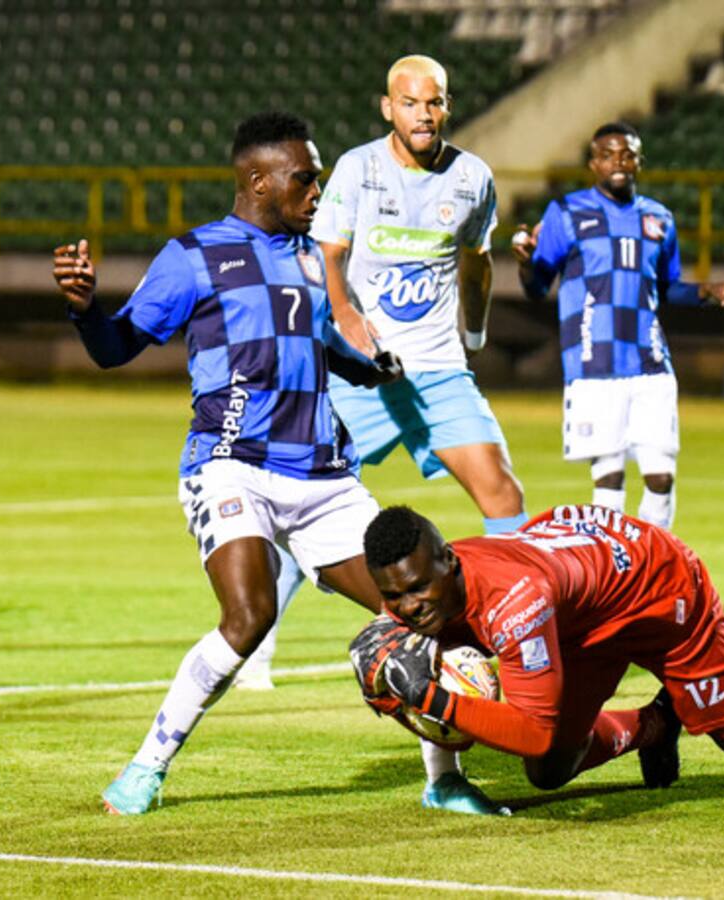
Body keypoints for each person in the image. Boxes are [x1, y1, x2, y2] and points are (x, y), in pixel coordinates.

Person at [50, 112, 404, 815]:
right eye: (305, 178)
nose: (316, 192)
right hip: (230, 462)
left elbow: (319, 342)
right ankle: (147, 769)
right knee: (249, 615)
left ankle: (446, 779)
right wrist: (87, 311)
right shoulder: (193, 256)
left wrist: (369, 371)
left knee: (414, 610)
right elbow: (116, 347)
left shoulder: (310, 256)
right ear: (257, 180)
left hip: (325, 475)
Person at [244, 56, 522, 814]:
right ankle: (256, 643)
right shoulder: (358, 172)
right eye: (411, 102)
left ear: (447, 106)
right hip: (365, 374)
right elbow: (330, 253)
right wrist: (344, 315)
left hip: (436, 373)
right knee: (311, 504)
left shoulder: (473, 179)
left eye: (434, 102)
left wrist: (474, 328)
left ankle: (514, 631)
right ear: (387, 107)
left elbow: (478, 259)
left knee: (502, 491)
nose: (425, 114)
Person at [349, 504, 724, 796]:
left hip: (656, 586)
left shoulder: (515, 604)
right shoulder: (430, 590)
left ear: (449, 560)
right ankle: (658, 723)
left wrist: (429, 699)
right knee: (547, 771)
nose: (410, 606)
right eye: (394, 596)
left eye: (419, 588)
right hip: (582, 606)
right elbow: (407, 670)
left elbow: (530, 725)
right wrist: (392, 699)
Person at [511, 122, 724, 529]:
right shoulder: (566, 213)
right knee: (609, 480)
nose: (617, 162)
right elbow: (536, 287)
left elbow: (665, 289)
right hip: (593, 363)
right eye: (607, 154)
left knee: (661, 476)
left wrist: (707, 290)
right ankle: (613, 577)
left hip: (650, 361)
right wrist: (524, 262)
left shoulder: (659, 219)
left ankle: (656, 565)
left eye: (627, 154)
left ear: (639, 161)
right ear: (592, 163)